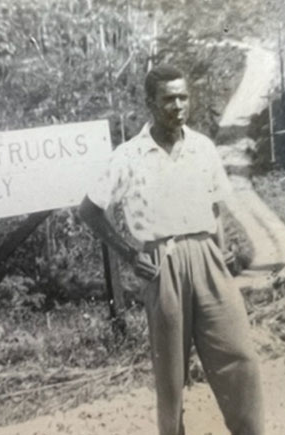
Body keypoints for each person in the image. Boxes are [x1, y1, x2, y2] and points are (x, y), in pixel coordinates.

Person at [79, 64, 264, 435]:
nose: (177, 106)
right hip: (163, 264)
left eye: (182, 97)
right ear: (150, 103)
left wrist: (222, 251)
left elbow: (215, 208)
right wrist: (130, 255)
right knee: (171, 377)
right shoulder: (129, 155)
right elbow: (89, 210)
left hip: (209, 262)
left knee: (239, 357)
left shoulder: (203, 147)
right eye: (168, 99)